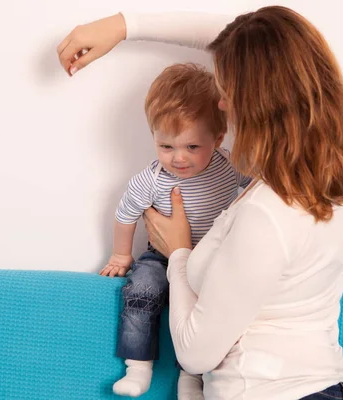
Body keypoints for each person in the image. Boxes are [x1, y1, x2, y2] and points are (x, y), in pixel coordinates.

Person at [57, 6, 343, 400]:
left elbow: (195, 353)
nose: (220, 104)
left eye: (228, 92)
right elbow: (255, 46)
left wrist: (178, 250)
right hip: (320, 385)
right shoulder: (333, 168)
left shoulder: (266, 215)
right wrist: (122, 26)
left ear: (260, 103)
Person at [99, 62, 251, 398]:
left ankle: (192, 380)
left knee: (212, 307)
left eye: (192, 147)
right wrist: (121, 253)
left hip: (209, 256)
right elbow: (126, 213)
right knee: (140, 292)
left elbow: (259, 185)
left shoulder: (229, 166)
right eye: (166, 147)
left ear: (218, 138)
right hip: (160, 256)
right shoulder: (151, 180)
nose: (178, 158)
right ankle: (138, 366)